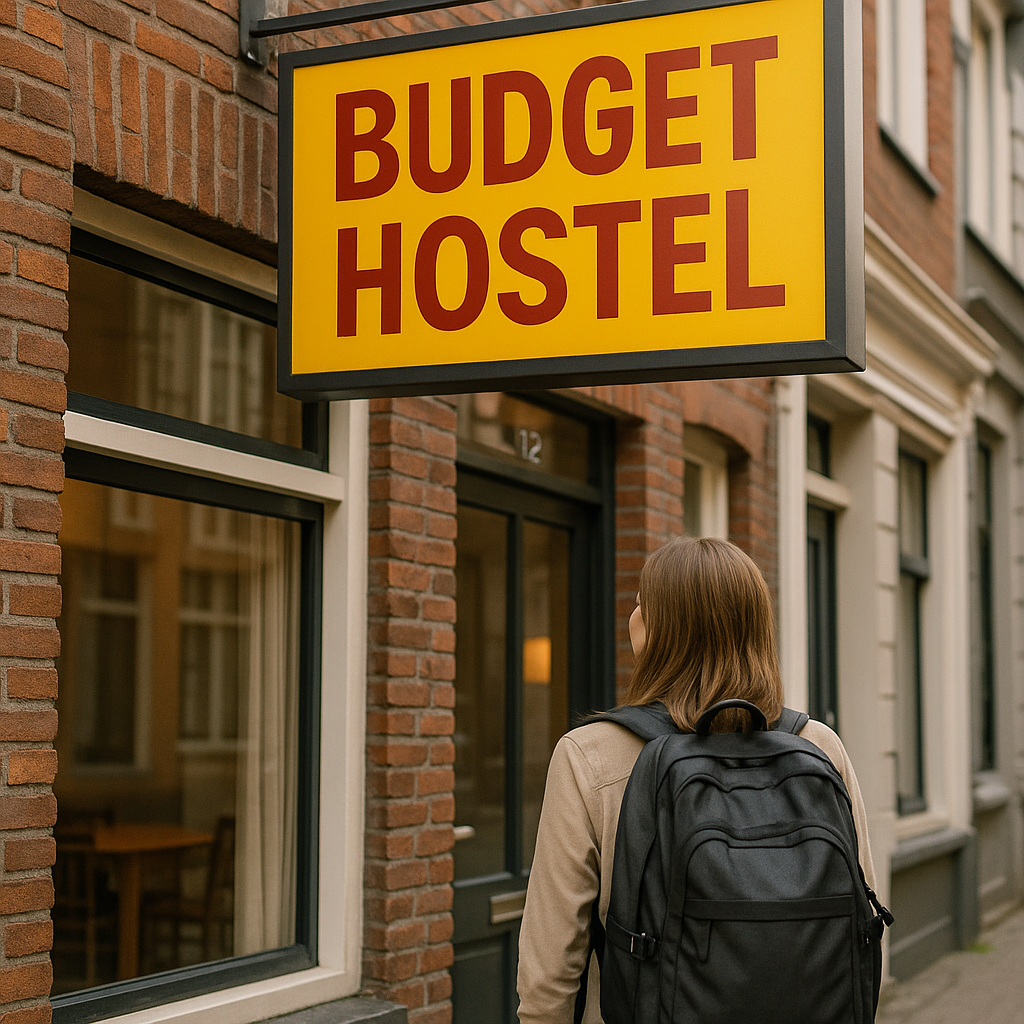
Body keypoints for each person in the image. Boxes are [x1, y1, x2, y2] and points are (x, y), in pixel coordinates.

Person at [516, 536, 876, 1024]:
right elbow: (862, 924)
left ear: (654, 632)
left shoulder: (588, 756)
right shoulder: (819, 745)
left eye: (640, 605)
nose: (632, 616)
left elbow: (549, 976)